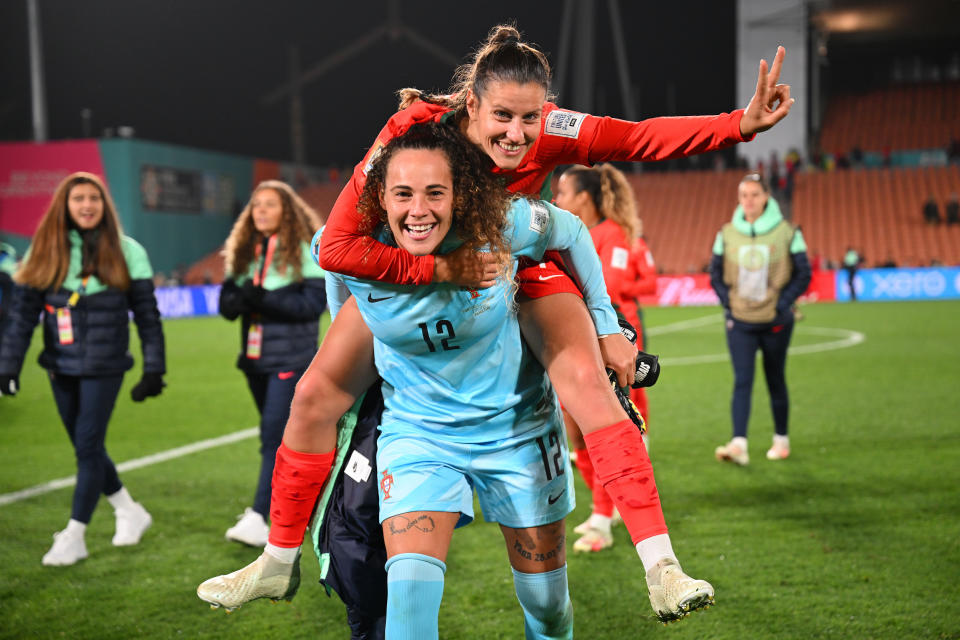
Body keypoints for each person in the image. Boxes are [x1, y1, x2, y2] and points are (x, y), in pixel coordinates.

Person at [199, 24, 793, 625]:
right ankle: (278, 559)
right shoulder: (414, 134)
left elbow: (634, 141)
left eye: (530, 118)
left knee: (586, 383)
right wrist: (432, 270)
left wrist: (736, 126)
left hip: (511, 265)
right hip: (419, 272)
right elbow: (336, 244)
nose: (517, 134)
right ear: (471, 106)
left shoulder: (544, 142)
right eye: (502, 116)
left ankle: (661, 566)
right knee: (312, 395)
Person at [0, 172, 165, 565]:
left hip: (105, 366)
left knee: (87, 444)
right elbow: (22, 317)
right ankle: (129, 509)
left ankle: (75, 533)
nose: (87, 205)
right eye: (78, 199)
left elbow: (147, 317)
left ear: (104, 204)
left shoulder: (129, 251)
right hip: (60, 365)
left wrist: (153, 368)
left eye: (94, 198)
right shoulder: (46, 249)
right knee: (86, 445)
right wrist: (8, 366)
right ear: (65, 205)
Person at [553, 163, 659, 553]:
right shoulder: (569, 235)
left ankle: (603, 518)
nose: (556, 200)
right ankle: (608, 505)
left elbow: (610, 287)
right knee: (576, 433)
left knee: (607, 428)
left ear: (583, 197)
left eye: (563, 193)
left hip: (608, 342)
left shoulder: (610, 235)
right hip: (575, 340)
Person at [216, 181, 326, 547]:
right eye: (256, 204)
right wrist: (239, 299)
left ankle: (260, 515)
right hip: (254, 360)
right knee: (279, 437)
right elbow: (226, 307)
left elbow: (311, 308)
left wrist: (262, 298)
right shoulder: (245, 253)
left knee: (271, 435)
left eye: (269, 204)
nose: (260, 210)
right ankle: (306, 504)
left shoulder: (304, 251)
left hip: (292, 359)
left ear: (287, 211)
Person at [709, 173, 811, 465]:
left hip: (775, 320)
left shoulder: (788, 231)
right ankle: (739, 443)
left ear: (767, 197)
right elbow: (714, 273)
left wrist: (783, 302)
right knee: (742, 380)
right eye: (744, 195)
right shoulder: (726, 233)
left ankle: (781, 440)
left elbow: (803, 273)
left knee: (775, 379)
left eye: (755, 194)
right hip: (740, 320)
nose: (749, 201)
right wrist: (728, 302)